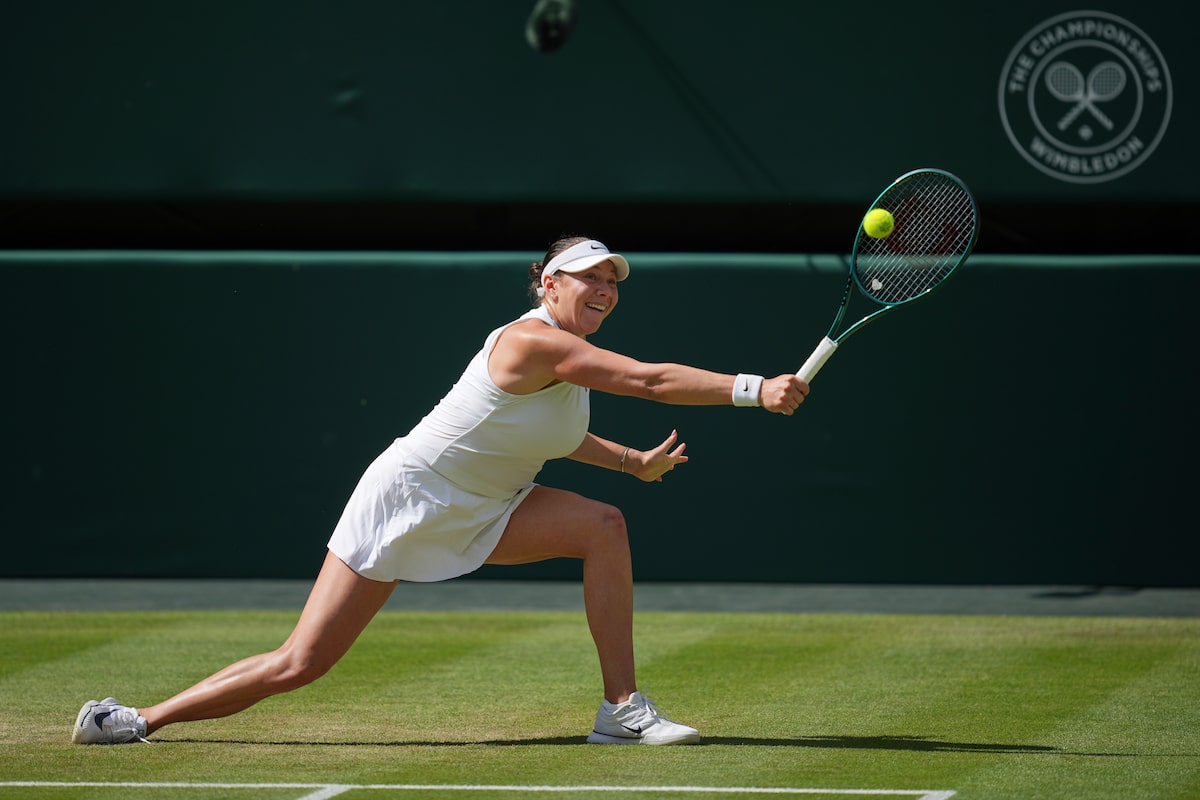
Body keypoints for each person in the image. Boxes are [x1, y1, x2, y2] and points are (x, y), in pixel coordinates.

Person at [72, 235, 810, 747]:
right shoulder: (531, 342)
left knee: (603, 525)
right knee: (303, 662)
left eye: (612, 280)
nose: (605, 289)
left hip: (491, 502)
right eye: (590, 277)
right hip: (408, 498)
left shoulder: (567, 356)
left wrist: (628, 462)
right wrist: (752, 389)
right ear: (547, 284)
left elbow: (548, 437)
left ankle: (620, 709)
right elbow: (647, 380)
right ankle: (136, 719)